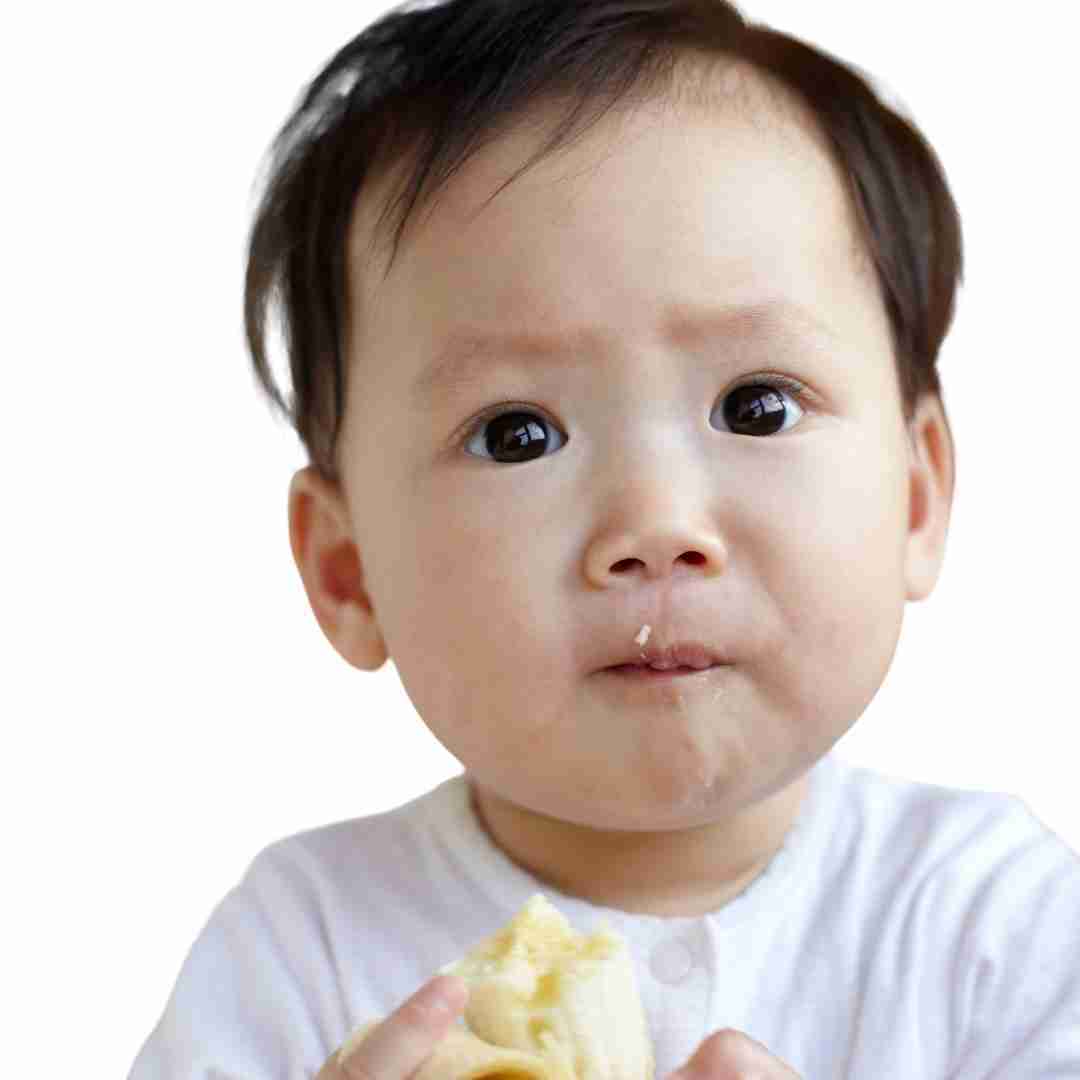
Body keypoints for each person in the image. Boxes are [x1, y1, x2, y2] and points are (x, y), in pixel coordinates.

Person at [129, 1, 1080, 1076]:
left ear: (914, 497)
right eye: (517, 434)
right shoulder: (295, 956)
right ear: (347, 571)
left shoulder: (995, 926)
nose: (655, 526)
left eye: (757, 407)